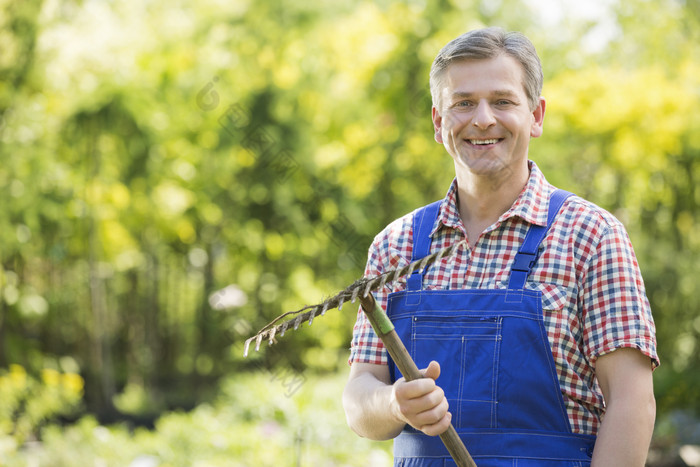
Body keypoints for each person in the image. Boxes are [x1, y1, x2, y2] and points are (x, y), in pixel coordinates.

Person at [343, 27, 658, 466]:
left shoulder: (591, 236)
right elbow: (360, 397)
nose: (483, 119)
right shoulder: (395, 247)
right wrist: (395, 403)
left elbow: (632, 402)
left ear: (536, 115)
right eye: (464, 103)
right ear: (439, 122)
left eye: (503, 101)